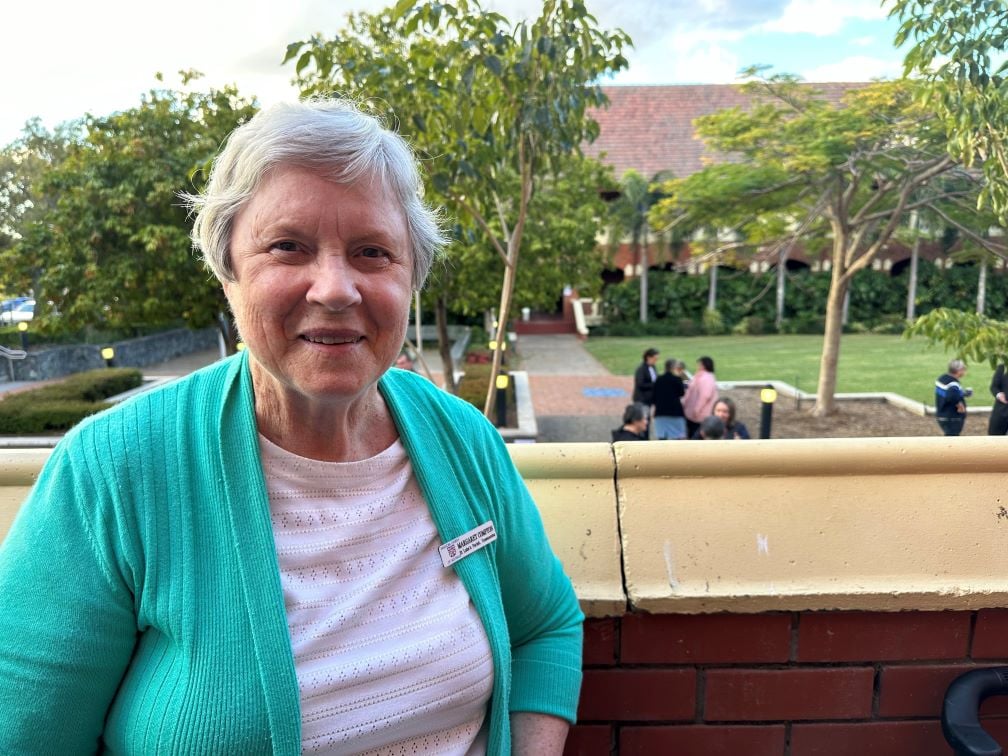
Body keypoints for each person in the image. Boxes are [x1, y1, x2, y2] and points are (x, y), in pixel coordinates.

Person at [0, 100, 582, 755]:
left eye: (372, 252)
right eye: (288, 246)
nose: (336, 288)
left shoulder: (461, 440)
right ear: (228, 273)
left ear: (410, 276)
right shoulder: (111, 474)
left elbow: (545, 626)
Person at [682, 355, 718, 440]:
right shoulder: (699, 376)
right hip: (693, 416)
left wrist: (697, 409)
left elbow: (705, 396)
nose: (698, 366)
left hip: (700, 415)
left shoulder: (707, 378)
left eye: (699, 364)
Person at [935, 359, 972, 436]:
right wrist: (960, 405)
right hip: (952, 418)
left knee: (949, 438)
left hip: (942, 415)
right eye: (963, 369)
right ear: (959, 371)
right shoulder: (953, 384)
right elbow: (951, 397)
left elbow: (947, 393)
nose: (964, 371)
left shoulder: (942, 379)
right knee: (952, 441)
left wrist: (963, 394)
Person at [653, 358, 687, 440]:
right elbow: (682, 393)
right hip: (675, 412)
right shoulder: (677, 379)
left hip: (660, 412)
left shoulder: (659, 379)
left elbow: (654, 395)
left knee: (662, 439)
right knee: (677, 439)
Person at [632, 348, 659, 437]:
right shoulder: (641, 369)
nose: (656, 361)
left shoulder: (653, 367)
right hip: (642, 399)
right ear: (648, 357)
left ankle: (646, 437)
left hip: (649, 399)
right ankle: (642, 439)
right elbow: (640, 384)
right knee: (643, 420)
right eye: (654, 359)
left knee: (647, 420)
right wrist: (655, 384)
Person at [989, 363, 1008, 435]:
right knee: (995, 437)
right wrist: (999, 394)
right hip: (1002, 409)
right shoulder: (1003, 367)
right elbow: (994, 386)